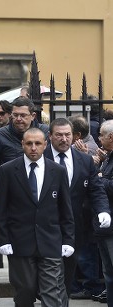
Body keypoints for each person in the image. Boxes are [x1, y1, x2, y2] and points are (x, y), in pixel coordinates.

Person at [0, 127, 75, 307]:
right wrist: (2, 240)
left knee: (52, 291)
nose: (33, 148)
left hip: (50, 241)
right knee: (25, 290)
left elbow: (65, 210)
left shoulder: (58, 171)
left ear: (45, 145)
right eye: (29, 143)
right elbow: (1, 210)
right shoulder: (7, 170)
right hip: (20, 242)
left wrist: (68, 240)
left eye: (37, 143)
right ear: (22, 144)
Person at [44, 118, 111, 306]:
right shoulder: (40, 157)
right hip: (45, 228)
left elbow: (96, 190)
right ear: (50, 136)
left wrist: (103, 211)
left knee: (66, 277)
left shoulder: (84, 160)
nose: (64, 139)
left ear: (74, 137)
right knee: (50, 277)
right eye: (59, 135)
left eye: (67, 135)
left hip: (74, 229)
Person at [0, 96, 49, 269]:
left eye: (23, 115)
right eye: (15, 115)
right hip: (11, 194)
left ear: (33, 116)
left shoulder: (44, 132)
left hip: (38, 193)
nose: (18, 119)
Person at [95, 119, 113, 305]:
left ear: (111, 137)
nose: (98, 138)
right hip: (104, 225)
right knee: (108, 273)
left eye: (100, 134)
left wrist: (100, 179)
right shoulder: (107, 156)